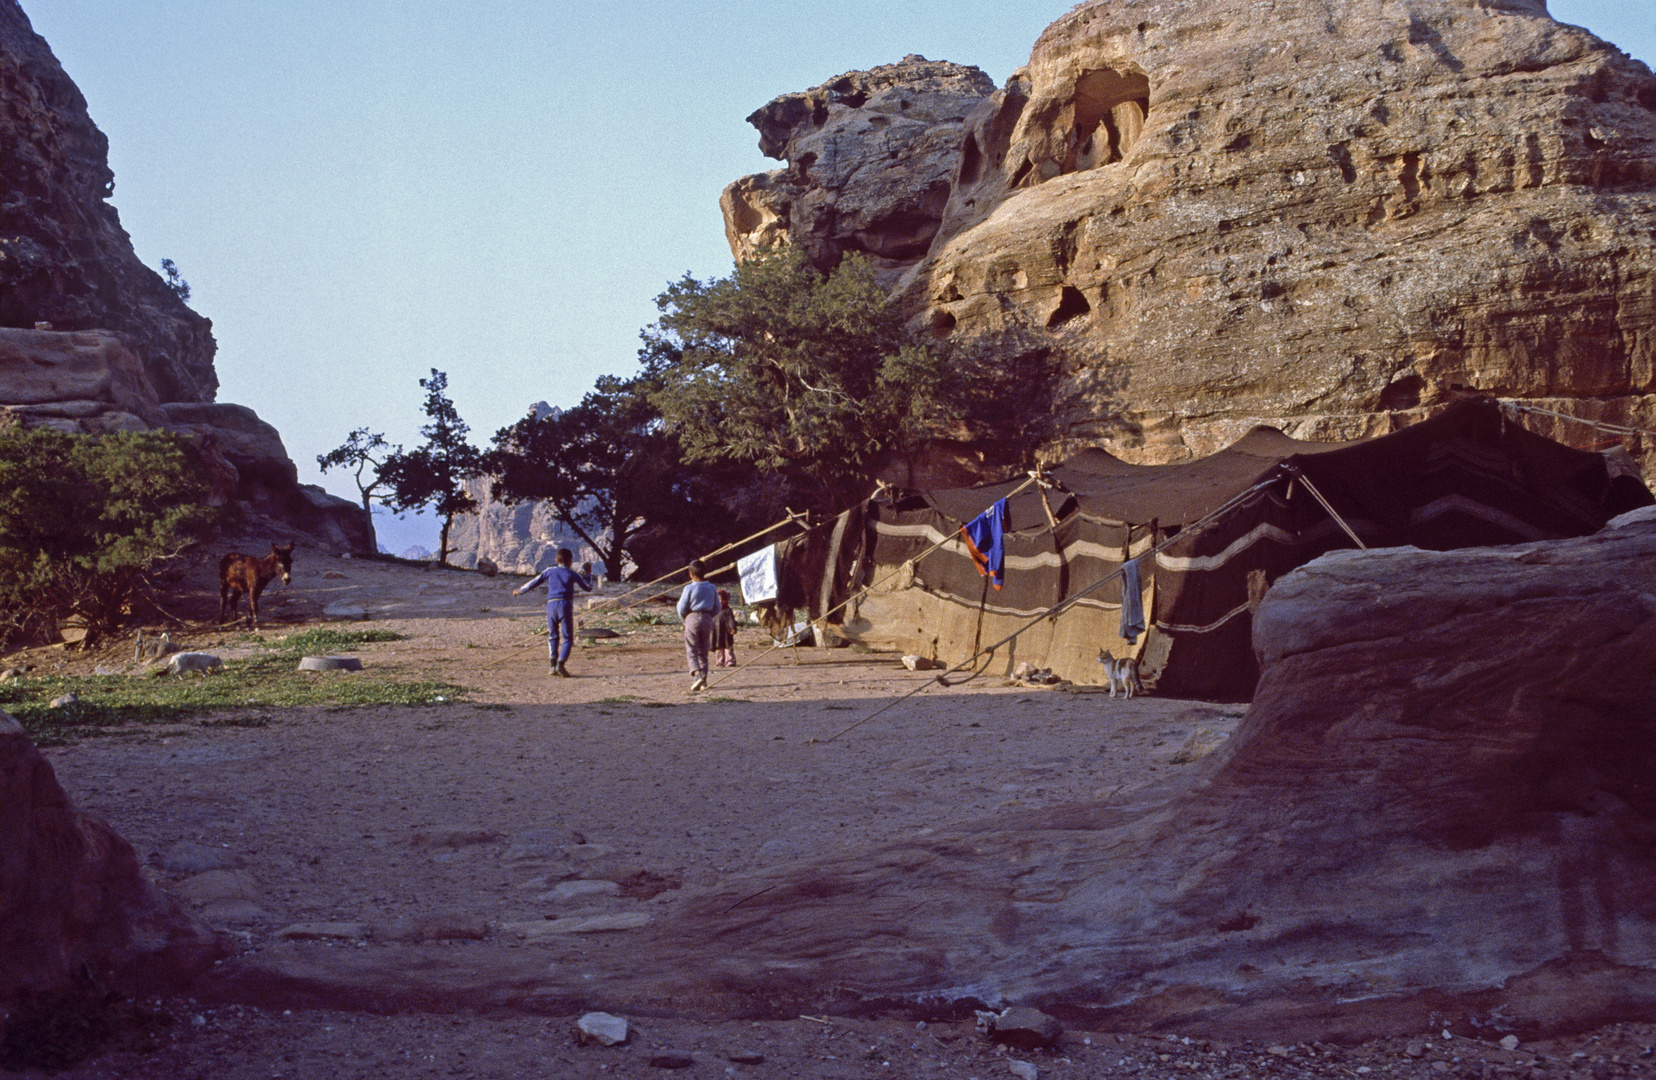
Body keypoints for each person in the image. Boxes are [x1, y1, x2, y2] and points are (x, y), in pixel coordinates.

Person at [513, 548, 594, 677]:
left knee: (553, 635)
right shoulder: (572, 573)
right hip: (565, 605)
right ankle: (561, 664)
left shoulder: (549, 571)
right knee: (567, 637)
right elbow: (588, 587)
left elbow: (534, 582)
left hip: (551, 605)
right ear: (570, 561)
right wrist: (588, 574)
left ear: (556, 560)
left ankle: (552, 666)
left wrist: (520, 591)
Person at [677, 559, 720, 691]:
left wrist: (684, 619)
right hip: (707, 618)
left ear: (691, 574)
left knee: (691, 649)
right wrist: (709, 616)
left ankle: (696, 675)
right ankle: (704, 680)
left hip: (692, 617)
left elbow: (681, 607)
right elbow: (717, 607)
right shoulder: (712, 587)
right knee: (703, 650)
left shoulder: (689, 588)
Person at [713, 588, 738, 668]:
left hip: (726, 631)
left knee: (728, 646)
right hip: (717, 631)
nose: (721, 602)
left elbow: (731, 620)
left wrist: (732, 627)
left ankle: (730, 661)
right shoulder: (714, 611)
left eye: (723, 600)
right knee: (718, 646)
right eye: (719, 600)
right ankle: (720, 661)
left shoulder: (728, 610)